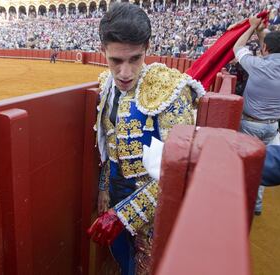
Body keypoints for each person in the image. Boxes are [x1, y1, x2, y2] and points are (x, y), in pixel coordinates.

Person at [87, 3, 205, 274]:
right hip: (116, 191)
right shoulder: (107, 84)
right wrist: (105, 188)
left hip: (152, 204)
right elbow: (110, 143)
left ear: (147, 48)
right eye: (116, 60)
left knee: (146, 264)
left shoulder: (170, 90)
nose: (125, 73)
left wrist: (124, 215)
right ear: (102, 50)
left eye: (135, 59)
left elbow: (178, 172)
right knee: (121, 256)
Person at [233, 15, 280, 215]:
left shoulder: (258, 65)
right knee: (264, 165)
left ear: (265, 49)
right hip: (273, 126)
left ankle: (242, 204)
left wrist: (251, 28)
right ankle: (256, 204)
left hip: (250, 125)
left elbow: (237, 48)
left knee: (245, 164)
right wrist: (260, 31)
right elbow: (273, 47)